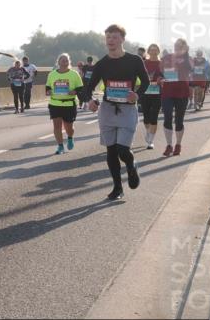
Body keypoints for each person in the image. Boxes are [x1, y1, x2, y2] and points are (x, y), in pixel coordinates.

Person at [85, 24, 150, 200]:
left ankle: (131, 164)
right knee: (111, 151)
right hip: (107, 110)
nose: (110, 41)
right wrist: (90, 100)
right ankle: (117, 188)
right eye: (107, 38)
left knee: (123, 150)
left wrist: (137, 94)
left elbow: (145, 82)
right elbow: (88, 87)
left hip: (127, 109)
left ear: (122, 39)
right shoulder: (102, 64)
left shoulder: (135, 60)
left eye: (114, 37)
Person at [44, 53, 83, 154]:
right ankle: (60, 146)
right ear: (58, 62)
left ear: (69, 62)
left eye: (66, 60)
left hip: (69, 104)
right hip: (55, 103)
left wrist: (74, 92)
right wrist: (48, 92)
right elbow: (47, 88)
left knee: (68, 127)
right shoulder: (52, 74)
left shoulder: (74, 74)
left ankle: (70, 137)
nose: (64, 62)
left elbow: (80, 89)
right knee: (57, 126)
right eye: (62, 60)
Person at [160, 38, 192, 156]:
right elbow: (159, 73)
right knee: (167, 118)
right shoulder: (166, 58)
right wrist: (159, 79)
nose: (177, 48)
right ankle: (169, 145)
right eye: (176, 46)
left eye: (180, 46)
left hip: (182, 92)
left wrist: (186, 53)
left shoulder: (188, 59)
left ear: (185, 48)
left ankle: (178, 144)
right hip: (167, 92)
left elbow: (190, 68)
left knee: (179, 120)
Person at [140, 43, 163, 149]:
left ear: (158, 51)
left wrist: (161, 80)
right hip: (145, 92)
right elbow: (138, 76)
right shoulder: (143, 63)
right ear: (148, 52)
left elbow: (168, 76)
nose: (153, 52)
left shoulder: (162, 63)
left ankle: (151, 141)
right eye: (151, 50)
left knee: (154, 116)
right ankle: (148, 132)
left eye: (155, 50)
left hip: (157, 92)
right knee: (146, 117)